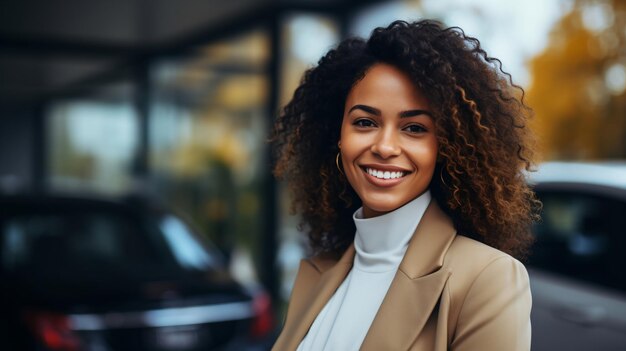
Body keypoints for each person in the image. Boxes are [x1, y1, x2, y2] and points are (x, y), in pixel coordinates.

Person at [271, 19, 540, 351]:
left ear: (445, 145)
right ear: (337, 135)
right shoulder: (318, 272)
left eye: (414, 128)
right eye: (365, 122)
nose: (385, 147)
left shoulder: (487, 280)